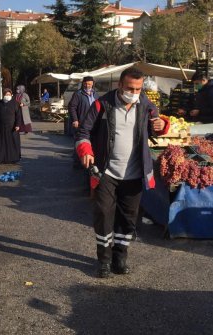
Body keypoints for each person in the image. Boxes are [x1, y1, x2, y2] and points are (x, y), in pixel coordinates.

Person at [75, 67, 169, 278]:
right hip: (105, 173)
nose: (134, 93)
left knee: (128, 219)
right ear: (120, 85)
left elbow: (157, 126)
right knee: (104, 216)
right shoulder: (102, 104)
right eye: (130, 88)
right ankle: (104, 261)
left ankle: (120, 257)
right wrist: (85, 150)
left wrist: (162, 125)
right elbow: (83, 132)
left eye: (138, 88)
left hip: (135, 174)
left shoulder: (145, 105)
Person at [68, 76, 100, 168]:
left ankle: (88, 160)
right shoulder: (78, 94)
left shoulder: (95, 94)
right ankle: (77, 162)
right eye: (85, 83)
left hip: (93, 122)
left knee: (90, 141)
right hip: (81, 122)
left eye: (89, 84)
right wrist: (75, 119)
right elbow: (72, 107)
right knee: (79, 141)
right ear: (83, 83)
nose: (87, 85)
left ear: (93, 83)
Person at [0, 88, 22, 165]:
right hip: (1, 127)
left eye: (9, 94)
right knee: (1, 143)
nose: (7, 96)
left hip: (12, 127)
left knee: (12, 143)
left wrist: (18, 125)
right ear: (3, 95)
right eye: (6, 94)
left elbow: (18, 115)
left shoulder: (15, 103)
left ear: (11, 95)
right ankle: (0, 159)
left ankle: (14, 159)